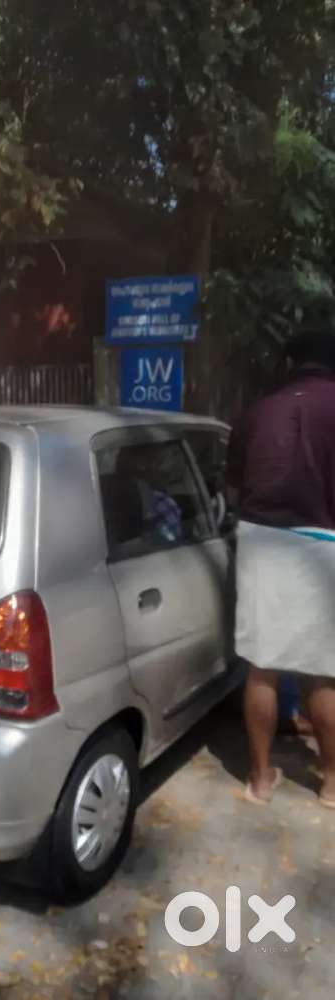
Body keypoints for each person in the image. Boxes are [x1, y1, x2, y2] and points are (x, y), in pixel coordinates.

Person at [227, 329, 335, 805]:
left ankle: (260, 779)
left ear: (289, 362)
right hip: (323, 541)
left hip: (261, 541)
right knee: (322, 672)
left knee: (263, 669)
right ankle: (333, 784)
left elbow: (231, 488)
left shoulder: (255, 410)